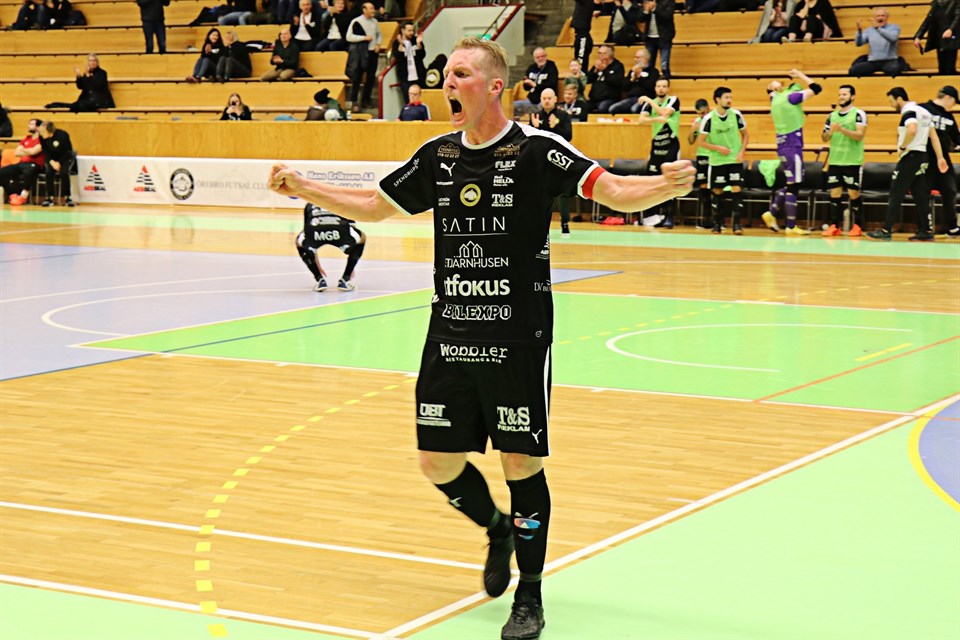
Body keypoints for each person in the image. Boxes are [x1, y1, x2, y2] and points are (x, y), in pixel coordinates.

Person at [268, 36, 694, 640]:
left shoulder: (538, 150)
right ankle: (497, 529)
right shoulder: (437, 155)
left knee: (521, 462)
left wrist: (665, 187)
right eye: (446, 74)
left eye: (461, 73)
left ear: (495, 86)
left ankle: (530, 594)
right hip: (450, 332)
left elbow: (616, 192)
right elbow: (373, 204)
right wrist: (304, 187)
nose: (448, 82)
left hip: (518, 336)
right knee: (436, 462)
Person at [867, 87, 948, 241]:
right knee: (920, 194)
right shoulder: (924, 112)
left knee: (896, 192)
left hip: (910, 157)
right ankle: (925, 231)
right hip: (922, 156)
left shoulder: (909, 112)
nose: (891, 105)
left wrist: (903, 146)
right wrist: (940, 157)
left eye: (891, 102)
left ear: (899, 99)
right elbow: (933, 136)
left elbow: (912, 129)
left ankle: (886, 230)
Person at [760, 68, 822, 235]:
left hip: (782, 145)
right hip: (793, 144)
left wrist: (773, 86)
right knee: (795, 185)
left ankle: (772, 213)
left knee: (791, 182)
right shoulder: (792, 97)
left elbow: (770, 90)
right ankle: (791, 226)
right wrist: (800, 74)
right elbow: (817, 88)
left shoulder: (775, 99)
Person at [698, 86, 748, 234]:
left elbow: (745, 135)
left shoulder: (736, 115)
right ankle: (717, 224)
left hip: (734, 159)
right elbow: (701, 142)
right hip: (717, 161)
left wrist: (741, 152)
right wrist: (717, 148)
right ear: (717, 99)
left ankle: (737, 225)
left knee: (736, 188)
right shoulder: (708, 118)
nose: (729, 100)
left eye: (730, 97)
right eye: (726, 97)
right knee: (717, 191)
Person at [821, 84, 868, 237]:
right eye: (840, 94)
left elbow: (859, 135)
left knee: (853, 193)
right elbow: (824, 138)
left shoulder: (858, 114)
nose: (841, 97)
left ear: (852, 96)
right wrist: (830, 133)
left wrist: (841, 129)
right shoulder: (831, 116)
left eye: (844, 94)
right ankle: (835, 226)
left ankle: (858, 226)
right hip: (835, 160)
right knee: (835, 192)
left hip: (852, 161)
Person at [637, 78, 681, 228]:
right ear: (655, 88)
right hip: (656, 147)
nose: (661, 89)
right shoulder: (652, 103)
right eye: (658, 86)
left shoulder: (673, 100)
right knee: (653, 180)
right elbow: (641, 120)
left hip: (671, 146)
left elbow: (664, 112)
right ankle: (653, 215)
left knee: (671, 181)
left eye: (664, 86)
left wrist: (649, 100)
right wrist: (658, 119)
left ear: (668, 89)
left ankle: (669, 216)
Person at [530, 87, 575, 233]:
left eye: (549, 98)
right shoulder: (536, 115)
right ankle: (539, 223)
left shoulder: (563, 115)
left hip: (559, 158)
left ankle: (565, 223)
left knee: (562, 192)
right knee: (540, 192)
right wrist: (536, 128)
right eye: (544, 98)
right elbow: (531, 138)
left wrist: (555, 126)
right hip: (541, 159)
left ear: (555, 99)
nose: (547, 101)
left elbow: (568, 136)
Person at [296, 204, 366, 291]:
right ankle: (345, 280)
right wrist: (352, 264)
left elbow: (307, 231)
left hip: (316, 233)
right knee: (362, 238)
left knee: (299, 242)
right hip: (339, 232)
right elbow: (351, 227)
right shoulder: (344, 201)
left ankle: (319, 279)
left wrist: (316, 265)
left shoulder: (310, 204)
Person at [921, 86, 959, 236]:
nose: (954, 106)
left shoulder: (949, 117)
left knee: (950, 191)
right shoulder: (923, 109)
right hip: (925, 158)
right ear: (948, 98)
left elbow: (956, 139)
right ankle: (924, 228)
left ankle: (952, 227)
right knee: (923, 193)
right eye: (954, 102)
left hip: (943, 160)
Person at [44, 54, 116, 113]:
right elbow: (80, 86)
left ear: (97, 62)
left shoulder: (102, 73)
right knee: (74, 106)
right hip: (87, 100)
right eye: (90, 61)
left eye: (94, 60)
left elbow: (98, 85)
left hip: (99, 102)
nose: (92, 62)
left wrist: (88, 76)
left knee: (80, 106)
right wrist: (78, 76)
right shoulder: (87, 73)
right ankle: (54, 105)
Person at [346, 2, 382, 112]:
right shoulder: (356, 21)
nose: (373, 10)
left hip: (372, 52)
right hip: (361, 53)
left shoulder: (375, 21)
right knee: (357, 78)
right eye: (371, 8)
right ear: (364, 10)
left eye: (373, 8)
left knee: (370, 78)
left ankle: (366, 100)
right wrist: (364, 38)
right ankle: (354, 101)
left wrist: (378, 44)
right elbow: (349, 37)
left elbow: (379, 34)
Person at [0, 118, 45, 206]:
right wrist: (29, 151)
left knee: (29, 172)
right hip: (22, 163)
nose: (28, 126)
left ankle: (23, 196)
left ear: (38, 127)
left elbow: (34, 152)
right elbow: (17, 152)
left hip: (35, 164)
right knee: (2, 172)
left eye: (31, 124)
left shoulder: (42, 140)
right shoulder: (27, 138)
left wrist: (24, 150)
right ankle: (12, 194)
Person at [849, 8, 903, 77]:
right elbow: (858, 44)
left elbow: (893, 38)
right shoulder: (869, 30)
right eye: (878, 16)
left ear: (887, 17)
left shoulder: (894, 27)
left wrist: (878, 28)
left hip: (889, 61)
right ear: (874, 18)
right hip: (873, 62)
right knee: (853, 71)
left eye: (883, 15)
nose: (880, 17)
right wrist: (859, 32)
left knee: (895, 69)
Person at [913, 0, 960, 75]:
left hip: (951, 39)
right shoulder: (936, 4)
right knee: (942, 68)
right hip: (939, 38)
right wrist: (918, 36)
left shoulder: (956, 2)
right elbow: (928, 20)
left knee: (950, 68)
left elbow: (958, 17)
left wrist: (951, 29)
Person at [608, 48, 659, 114]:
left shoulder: (653, 71)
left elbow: (651, 87)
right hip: (631, 99)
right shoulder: (632, 71)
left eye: (638, 57)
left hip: (646, 99)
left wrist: (639, 77)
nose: (635, 60)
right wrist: (633, 78)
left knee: (634, 109)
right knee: (612, 109)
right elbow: (624, 87)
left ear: (645, 59)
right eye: (635, 57)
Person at [513, 48, 559, 118]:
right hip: (532, 99)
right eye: (538, 57)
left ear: (546, 56)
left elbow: (552, 84)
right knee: (513, 106)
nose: (540, 59)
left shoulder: (551, 66)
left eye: (542, 56)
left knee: (544, 107)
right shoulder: (531, 68)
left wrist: (535, 85)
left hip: (546, 99)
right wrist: (527, 83)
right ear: (534, 58)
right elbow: (526, 88)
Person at [688, 98, 712, 226]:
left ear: (708, 108)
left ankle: (717, 219)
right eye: (700, 114)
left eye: (704, 112)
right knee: (703, 185)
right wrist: (693, 130)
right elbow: (690, 141)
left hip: (714, 155)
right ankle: (706, 218)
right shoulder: (697, 121)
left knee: (715, 186)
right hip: (702, 155)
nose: (702, 116)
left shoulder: (714, 119)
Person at [38, 120, 74, 207]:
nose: (40, 133)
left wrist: (59, 162)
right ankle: (49, 198)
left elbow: (68, 151)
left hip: (64, 158)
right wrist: (51, 161)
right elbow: (45, 151)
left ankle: (67, 198)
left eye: (42, 131)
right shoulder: (41, 137)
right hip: (51, 159)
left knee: (64, 173)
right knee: (48, 172)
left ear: (49, 130)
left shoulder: (62, 135)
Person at [392, 22, 426, 104]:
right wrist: (401, 44)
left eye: (412, 30)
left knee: (422, 101)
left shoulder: (415, 40)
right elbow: (398, 57)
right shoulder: (396, 43)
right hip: (405, 78)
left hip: (419, 76)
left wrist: (419, 44)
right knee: (409, 102)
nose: (411, 33)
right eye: (409, 30)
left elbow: (422, 55)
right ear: (402, 30)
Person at [585, 44, 625, 113]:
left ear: (607, 55)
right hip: (594, 99)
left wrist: (604, 70)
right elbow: (588, 80)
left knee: (602, 107)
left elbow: (617, 81)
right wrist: (595, 72)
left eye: (600, 53)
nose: (598, 55)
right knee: (583, 107)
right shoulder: (598, 65)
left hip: (609, 99)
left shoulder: (618, 66)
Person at [641, 0, 675, 79]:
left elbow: (668, 16)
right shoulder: (647, 1)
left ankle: (665, 82)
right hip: (649, 38)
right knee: (648, 66)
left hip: (664, 37)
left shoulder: (668, 1)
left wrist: (655, 9)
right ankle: (649, 83)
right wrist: (646, 11)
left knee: (664, 65)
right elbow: (640, 19)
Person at [571, 0, 596, 66]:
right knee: (578, 59)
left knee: (580, 61)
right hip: (580, 34)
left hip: (583, 35)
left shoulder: (586, 1)